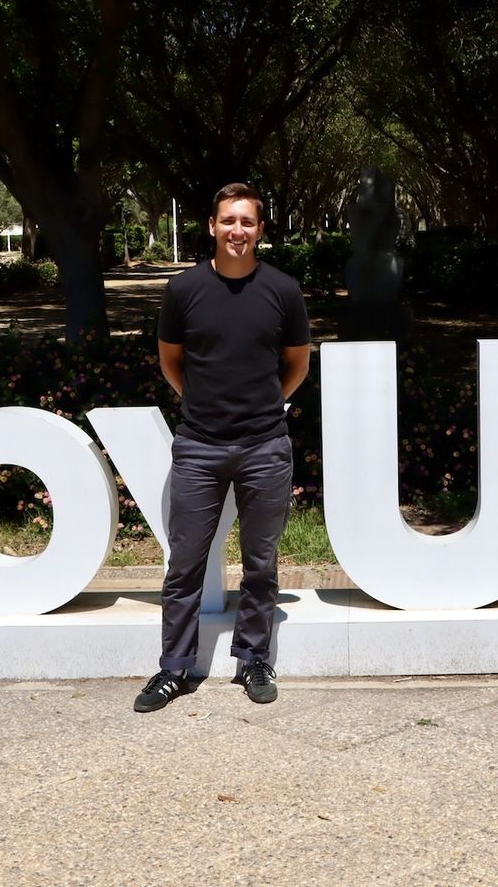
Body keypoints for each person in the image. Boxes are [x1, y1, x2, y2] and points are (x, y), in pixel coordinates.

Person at [135, 182, 312, 712]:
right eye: (229, 221)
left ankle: (254, 659)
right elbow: (170, 360)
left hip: (265, 447)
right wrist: (200, 402)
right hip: (198, 447)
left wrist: (266, 405)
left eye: (247, 222)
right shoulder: (183, 289)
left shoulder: (282, 290)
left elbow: (298, 363)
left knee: (261, 563)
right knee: (185, 564)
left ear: (260, 230)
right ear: (212, 226)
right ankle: (174, 668)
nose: (238, 230)